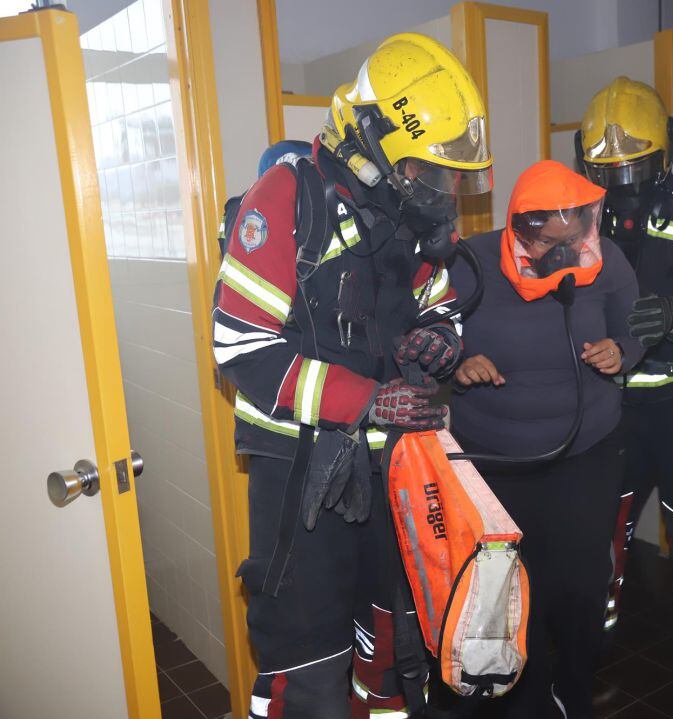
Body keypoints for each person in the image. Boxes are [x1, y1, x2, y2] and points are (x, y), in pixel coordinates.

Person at [211, 33, 492, 718]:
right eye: (429, 170)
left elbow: (442, 308)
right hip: (300, 475)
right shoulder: (286, 198)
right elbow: (239, 346)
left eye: (451, 176)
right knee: (308, 673)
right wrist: (367, 400)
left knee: (395, 655)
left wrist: (438, 342)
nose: (443, 190)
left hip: (393, 472)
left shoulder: (406, 214)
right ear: (373, 142)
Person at [447, 160, 644, 718]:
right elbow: (432, 335)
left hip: (587, 452)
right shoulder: (471, 261)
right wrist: (458, 363)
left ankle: (574, 692)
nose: (562, 251)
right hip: (496, 462)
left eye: (573, 237)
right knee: (514, 588)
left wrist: (622, 352)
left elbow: (633, 330)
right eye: (547, 240)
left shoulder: (606, 260)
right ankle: (527, 702)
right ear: (519, 227)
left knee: (581, 586)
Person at [578, 76, 673, 632]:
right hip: (612, 409)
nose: (623, 185)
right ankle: (600, 631)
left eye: (634, 169)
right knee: (605, 523)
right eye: (609, 173)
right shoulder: (580, 222)